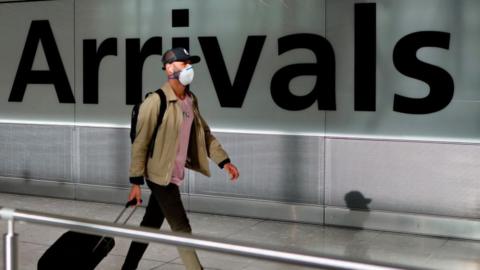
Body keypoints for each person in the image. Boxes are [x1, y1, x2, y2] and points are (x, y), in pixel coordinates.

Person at [122, 47, 240, 270]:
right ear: (169, 68)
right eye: (183, 63)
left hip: (173, 173)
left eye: (190, 63)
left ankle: (127, 268)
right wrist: (135, 183)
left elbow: (203, 134)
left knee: (150, 224)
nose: (189, 68)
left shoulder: (190, 100)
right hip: (159, 175)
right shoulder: (156, 101)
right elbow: (140, 143)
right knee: (182, 229)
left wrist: (224, 161)